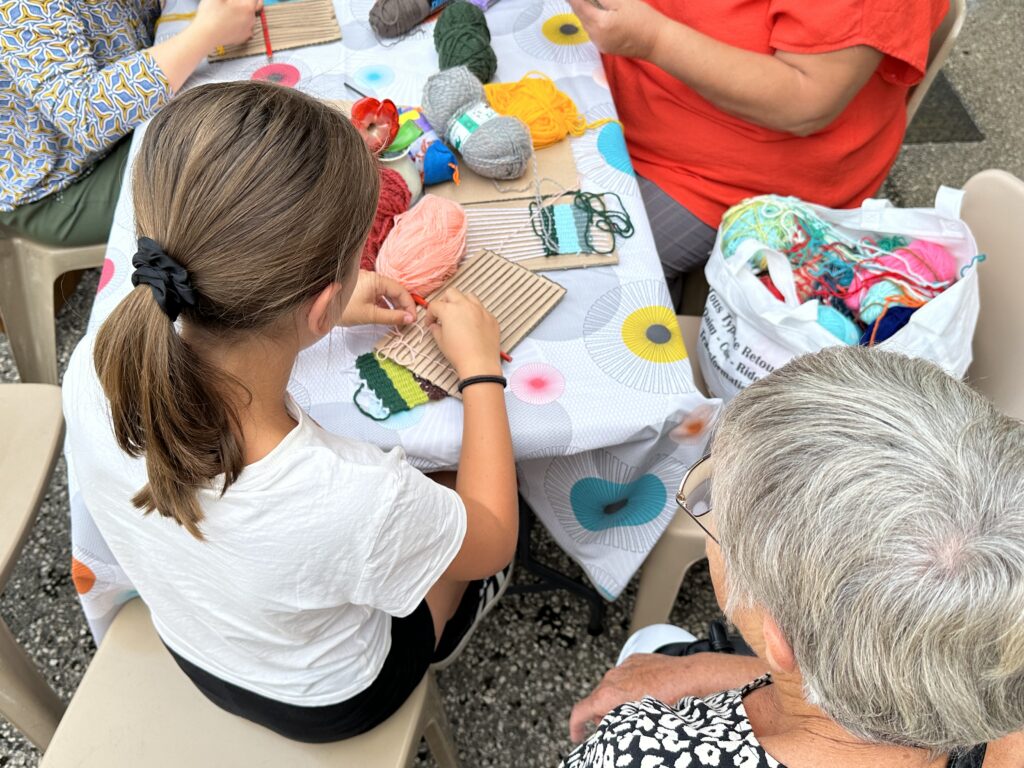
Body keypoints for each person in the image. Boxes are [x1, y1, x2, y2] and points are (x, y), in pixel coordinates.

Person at [62, 81, 519, 742]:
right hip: (332, 698)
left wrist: (320, 308)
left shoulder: (92, 367)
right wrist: (480, 371)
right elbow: (491, 539)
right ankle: (442, 628)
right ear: (318, 308)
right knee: (453, 485)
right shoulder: (354, 492)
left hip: (193, 643)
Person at [565, 346, 1024, 767]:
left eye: (714, 502)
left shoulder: (635, 751)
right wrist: (701, 670)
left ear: (782, 639)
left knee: (651, 640)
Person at [567, 0, 949, 300]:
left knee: (577, 275)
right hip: (622, 87)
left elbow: (805, 101)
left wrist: (655, 39)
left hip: (725, 177)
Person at [0, 0, 262, 246]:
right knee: (236, 177)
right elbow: (87, 117)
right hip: (61, 182)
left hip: (129, 121)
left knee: (247, 127)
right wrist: (206, 32)